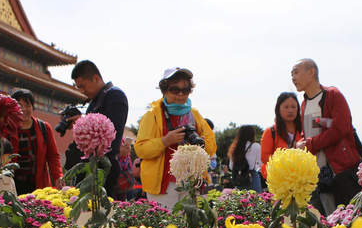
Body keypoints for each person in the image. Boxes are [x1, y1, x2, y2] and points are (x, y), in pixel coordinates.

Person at [134, 67, 216, 210]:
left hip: (190, 183)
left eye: (185, 90)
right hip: (163, 186)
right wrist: (165, 141)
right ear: (164, 90)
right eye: (174, 89)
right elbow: (141, 150)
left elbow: (211, 147)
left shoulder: (194, 115)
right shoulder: (152, 115)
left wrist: (197, 147)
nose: (180, 94)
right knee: (165, 227)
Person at [292, 58, 361, 214]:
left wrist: (310, 144)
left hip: (339, 170)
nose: (293, 78)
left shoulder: (332, 95)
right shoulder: (304, 103)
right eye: (291, 74)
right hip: (316, 176)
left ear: (311, 72)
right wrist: (301, 144)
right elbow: (309, 131)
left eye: (296, 72)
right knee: (324, 222)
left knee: (347, 218)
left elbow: (340, 128)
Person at [65, 60, 129, 198]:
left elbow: (111, 137)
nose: (82, 91)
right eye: (79, 88)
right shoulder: (95, 101)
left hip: (104, 168)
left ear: (95, 78)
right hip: (91, 166)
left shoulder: (114, 96)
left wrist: (84, 123)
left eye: (83, 86)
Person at [10, 88, 63, 195]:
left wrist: (58, 176)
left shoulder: (44, 128)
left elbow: (53, 156)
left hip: (38, 184)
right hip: (13, 184)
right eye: (19, 106)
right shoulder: (8, 128)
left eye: (27, 105)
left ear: (33, 107)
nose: (24, 109)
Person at [260, 92, 302, 180]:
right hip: (279, 181)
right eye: (286, 107)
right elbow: (264, 157)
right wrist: (286, 159)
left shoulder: (303, 130)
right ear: (278, 109)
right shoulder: (270, 132)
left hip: (300, 178)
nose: (290, 110)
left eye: (293, 107)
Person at [228, 125, 263, 191]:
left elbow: (231, 166)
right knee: (255, 199)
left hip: (239, 178)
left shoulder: (234, 148)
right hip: (252, 177)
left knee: (241, 200)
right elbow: (260, 164)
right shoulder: (256, 146)